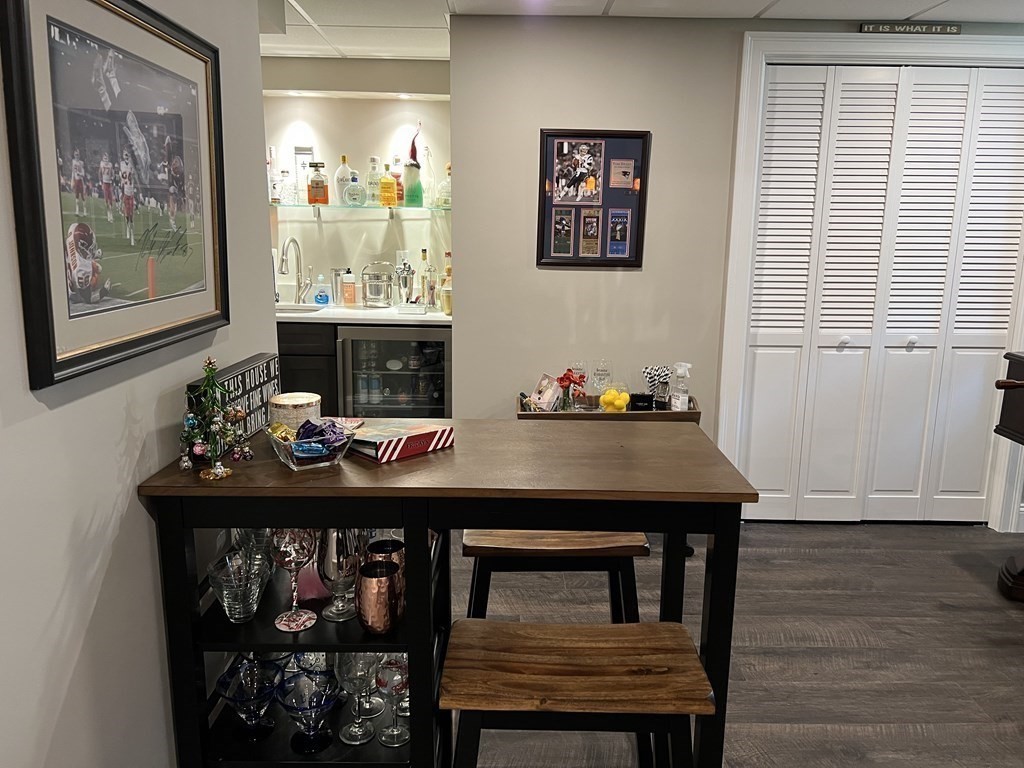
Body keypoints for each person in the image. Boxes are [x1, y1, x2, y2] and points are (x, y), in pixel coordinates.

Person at [64, 222, 110, 305]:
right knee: (97, 272)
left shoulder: (73, 229)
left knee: (95, 266)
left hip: (71, 262)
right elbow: (88, 298)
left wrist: (93, 254)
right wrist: (104, 291)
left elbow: (82, 251)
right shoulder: (81, 270)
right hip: (75, 294)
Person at [119, 148, 136, 246]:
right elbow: (121, 179)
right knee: (127, 214)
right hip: (125, 191)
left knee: (131, 214)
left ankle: (132, 235)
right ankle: (128, 229)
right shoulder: (121, 165)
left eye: (127, 154)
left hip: (131, 191)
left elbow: (133, 178)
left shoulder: (131, 165)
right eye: (125, 154)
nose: (126, 156)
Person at [168, 155, 184, 228]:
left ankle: (172, 219)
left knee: (175, 206)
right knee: (173, 205)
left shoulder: (179, 173)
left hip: (176, 189)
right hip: (173, 188)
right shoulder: (171, 172)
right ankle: (172, 219)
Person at [98, 152, 115, 223]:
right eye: (104, 158)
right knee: (106, 200)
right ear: (103, 158)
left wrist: (112, 177)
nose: (106, 159)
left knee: (110, 199)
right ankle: (109, 215)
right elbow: (99, 172)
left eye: (106, 157)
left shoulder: (110, 165)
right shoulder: (101, 164)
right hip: (105, 182)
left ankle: (111, 215)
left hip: (109, 183)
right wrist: (100, 181)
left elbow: (112, 172)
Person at [71, 148, 86, 216]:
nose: (76, 156)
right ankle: (77, 210)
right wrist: (72, 181)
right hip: (76, 180)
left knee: (82, 196)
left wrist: (79, 174)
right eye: (75, 154)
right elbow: (73, 172)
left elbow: (83, 173)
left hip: (80, 180)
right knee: (76, 195)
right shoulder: (73, 161)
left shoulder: (81, 163)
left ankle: (84, 211)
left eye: (77, 154)